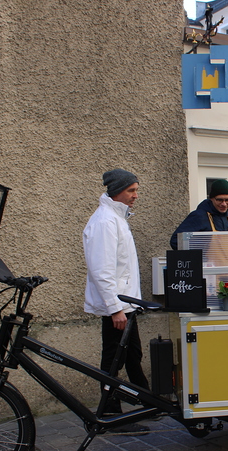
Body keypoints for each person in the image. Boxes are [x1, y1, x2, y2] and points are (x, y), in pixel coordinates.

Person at [83, 168, 150, 419]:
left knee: (133, 355)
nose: (135, 195)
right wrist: (115, 308)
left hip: (126, 305)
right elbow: (102, 269)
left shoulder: (117, 218)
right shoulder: (105, 221)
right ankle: (110, 412)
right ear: (117, 191)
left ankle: (147, 400)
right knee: (114, 359)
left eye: (136, 190)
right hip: (118, 307)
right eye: (131, 190)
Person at [170, 179, 228, 250]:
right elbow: (176, 241)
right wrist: (204, 244)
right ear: (211, 198)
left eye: (227, 200)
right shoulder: (199, 216)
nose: (224, 204)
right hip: (204, 261)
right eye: (219, 200)